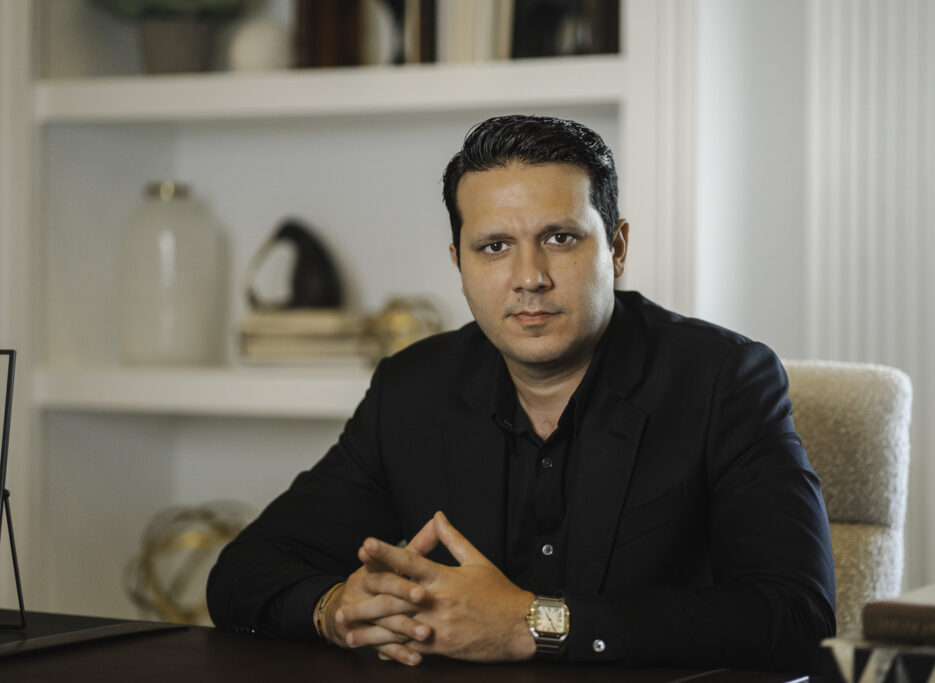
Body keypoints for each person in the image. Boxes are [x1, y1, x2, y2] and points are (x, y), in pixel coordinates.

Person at [207, 114, 836, 671]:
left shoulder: (724, 380)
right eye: (495, 247)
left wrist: (533, 623)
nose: (529, 278)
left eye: (560, 238)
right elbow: (246, 569)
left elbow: (796, 617)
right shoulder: (414, 390)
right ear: (459, 264)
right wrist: (337, 609)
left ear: (616, 248)